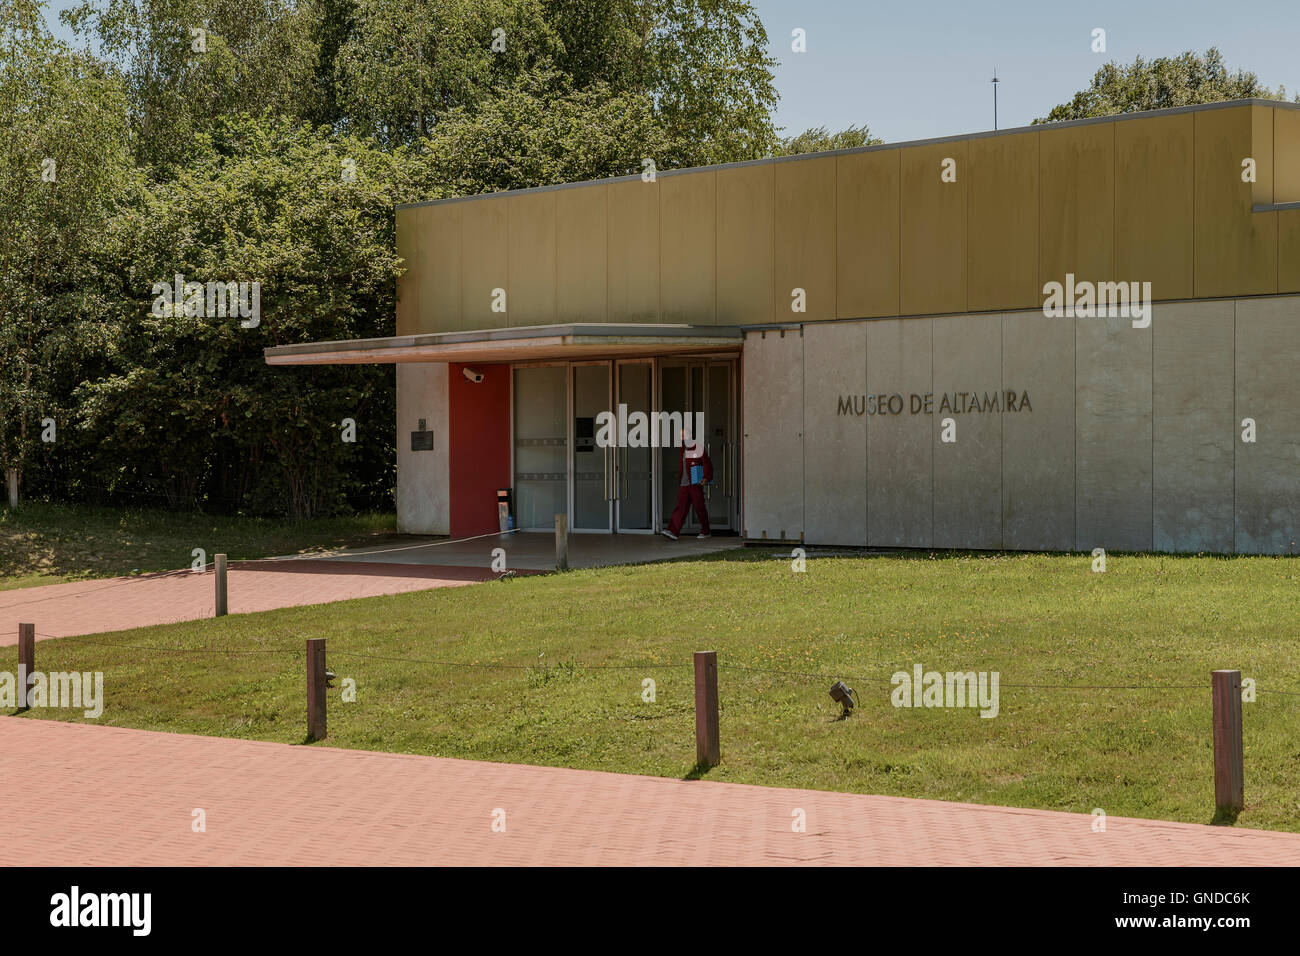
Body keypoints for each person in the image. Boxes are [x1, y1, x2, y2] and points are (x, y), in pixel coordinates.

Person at [662, 433, 712, 540]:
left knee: (699, 506)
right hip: (684, 483)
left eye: (683, 435)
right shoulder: (683, 448)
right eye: (681, 435)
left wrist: (706, 477)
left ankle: (706, 531)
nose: (681, 437)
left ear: (689, 435)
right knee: (680, 507)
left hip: (695, 480)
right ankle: (673, 531)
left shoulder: (697, 446)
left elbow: (706, 462)